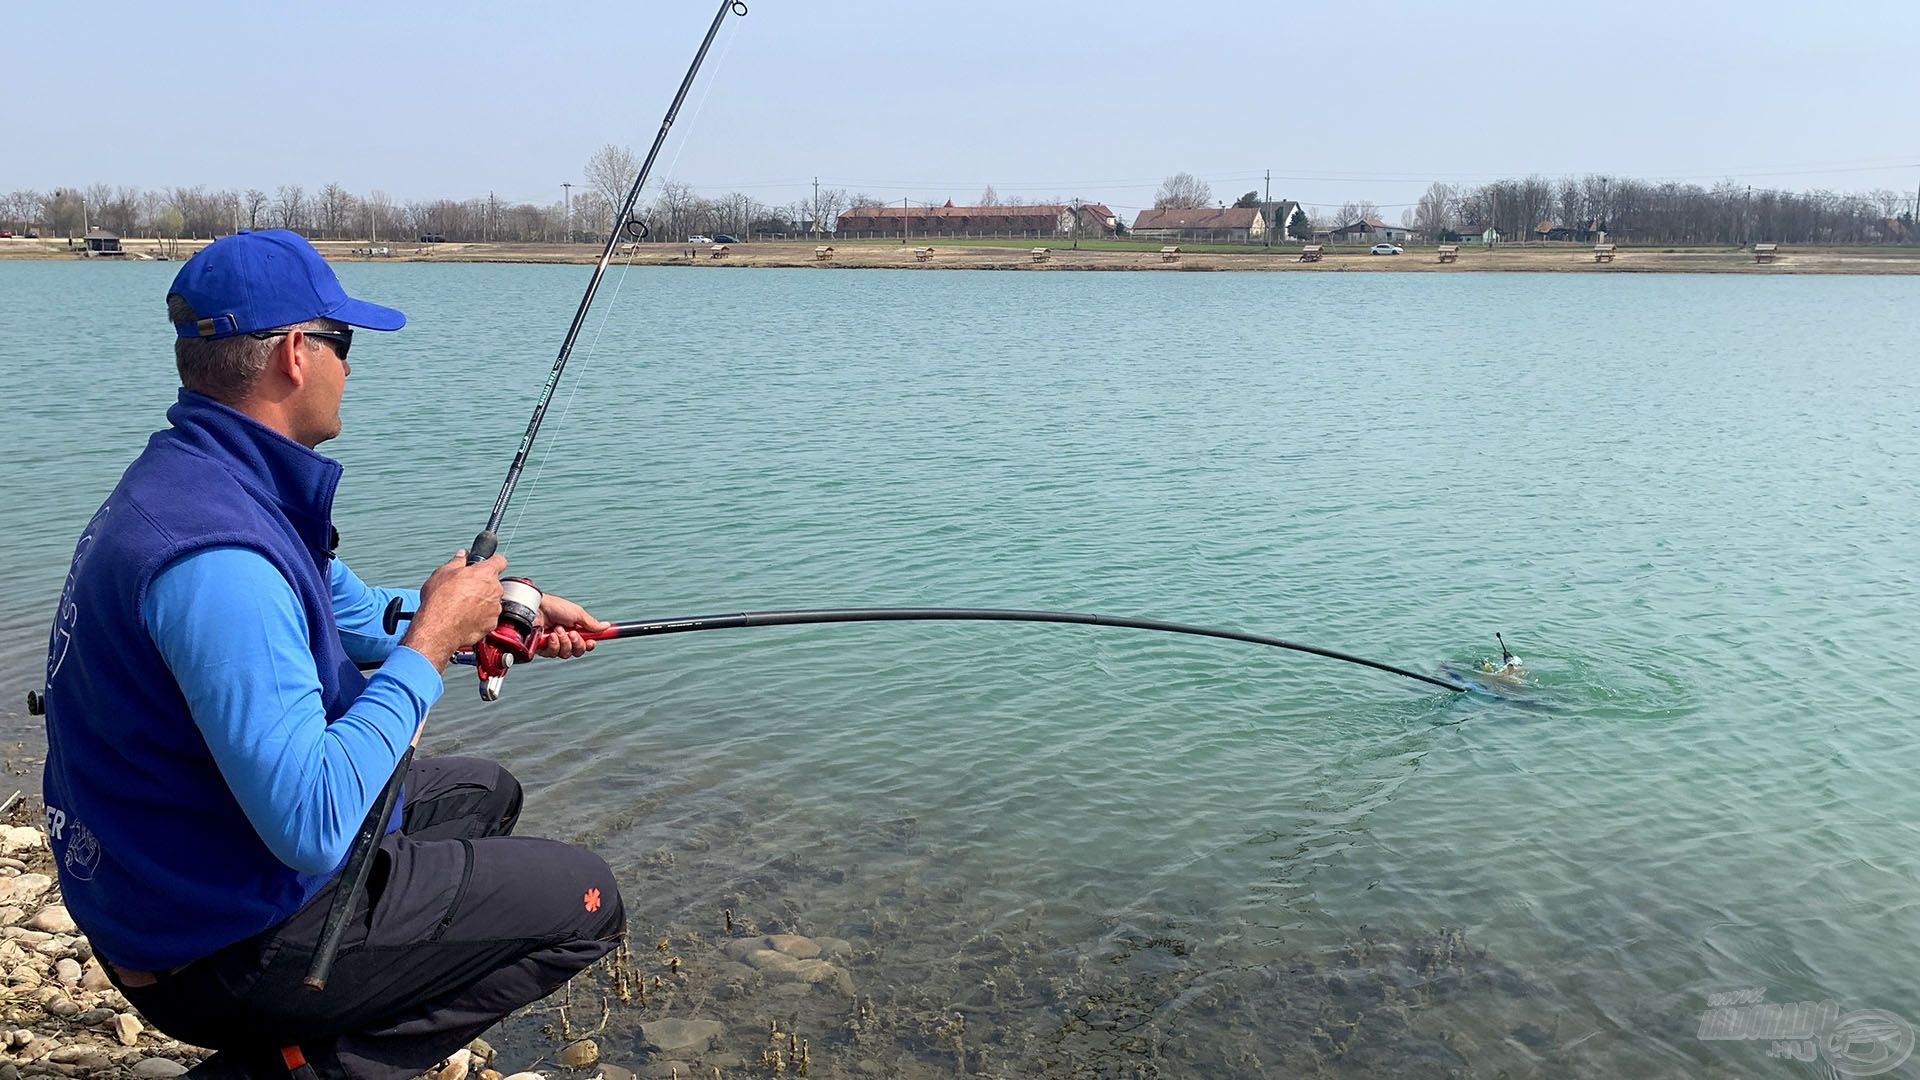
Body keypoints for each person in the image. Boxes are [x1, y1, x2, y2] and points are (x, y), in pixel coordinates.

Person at [38, 230, 625, 1080]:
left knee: (483, 793)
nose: (352, 366)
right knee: (587, 900)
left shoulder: (206, 482)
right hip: (207, 947)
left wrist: (496, 616)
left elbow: (358, 615)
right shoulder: (220, 561)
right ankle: (281, 1064)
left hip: (169, 876)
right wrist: (429, 647)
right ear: (293, 356)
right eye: (342, 343)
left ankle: (349, 990)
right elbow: (311, 821)